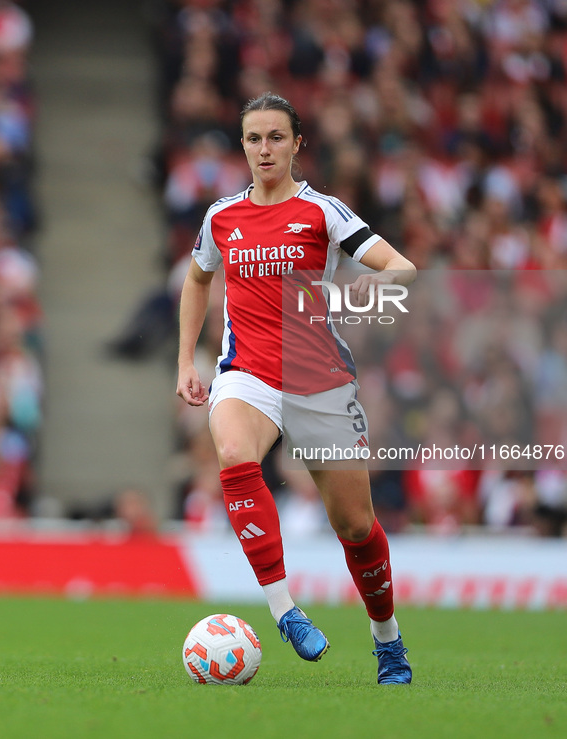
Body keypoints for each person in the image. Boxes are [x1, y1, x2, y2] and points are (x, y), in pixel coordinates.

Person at [176, 92, 416, 685]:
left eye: (276, 138)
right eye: (254, 138)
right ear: (243, 145)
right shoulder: (221, 218)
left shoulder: (323, 212)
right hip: (246, 374)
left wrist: (348, 298)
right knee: (233, 453)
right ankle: (285, 612)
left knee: (355, 526)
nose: (265, 149)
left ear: (297, 144)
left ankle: (388, 642)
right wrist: (186, 360)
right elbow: (197, 279)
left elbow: (401, 269)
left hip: (318, 381)